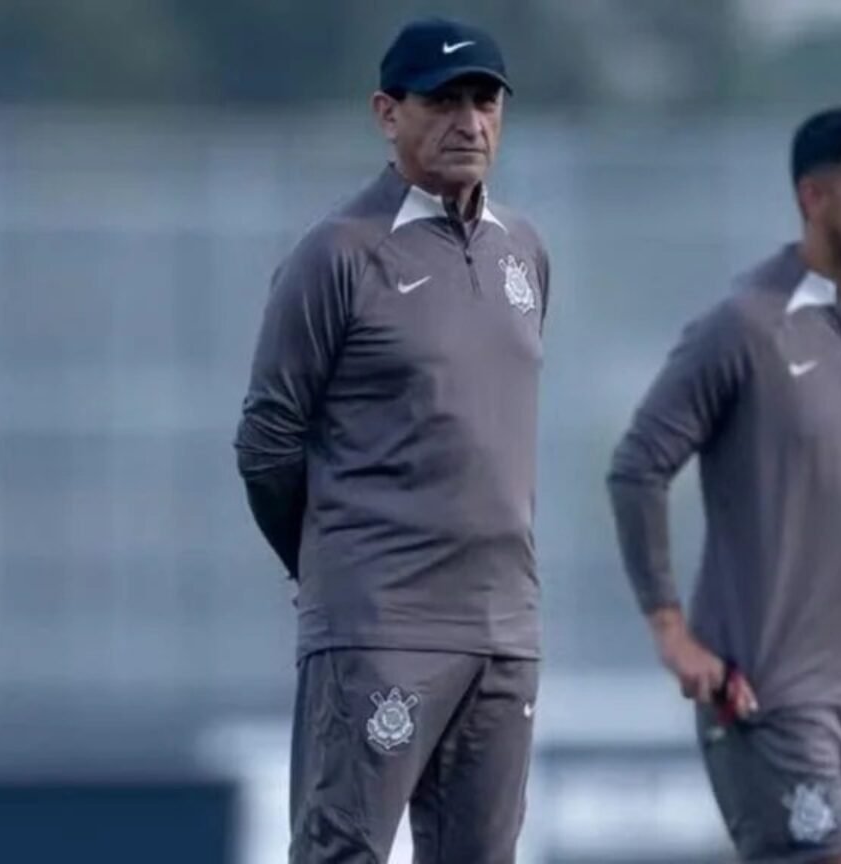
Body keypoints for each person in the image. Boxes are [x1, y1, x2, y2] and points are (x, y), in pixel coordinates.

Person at [606, 106, 841, 863]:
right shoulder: (743, 328)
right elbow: (637, 466)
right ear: (812, 197)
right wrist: (672, 632)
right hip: (759, 690)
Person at [233, 17, 550, 864]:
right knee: (344, 852)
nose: (469, 121)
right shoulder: (338, 254)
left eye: (484, 100)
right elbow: (267, 440)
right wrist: (335, 564)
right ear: (387, 112)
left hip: (503, 628)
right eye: (442, 100)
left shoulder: (523, 251)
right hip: (381, 627)